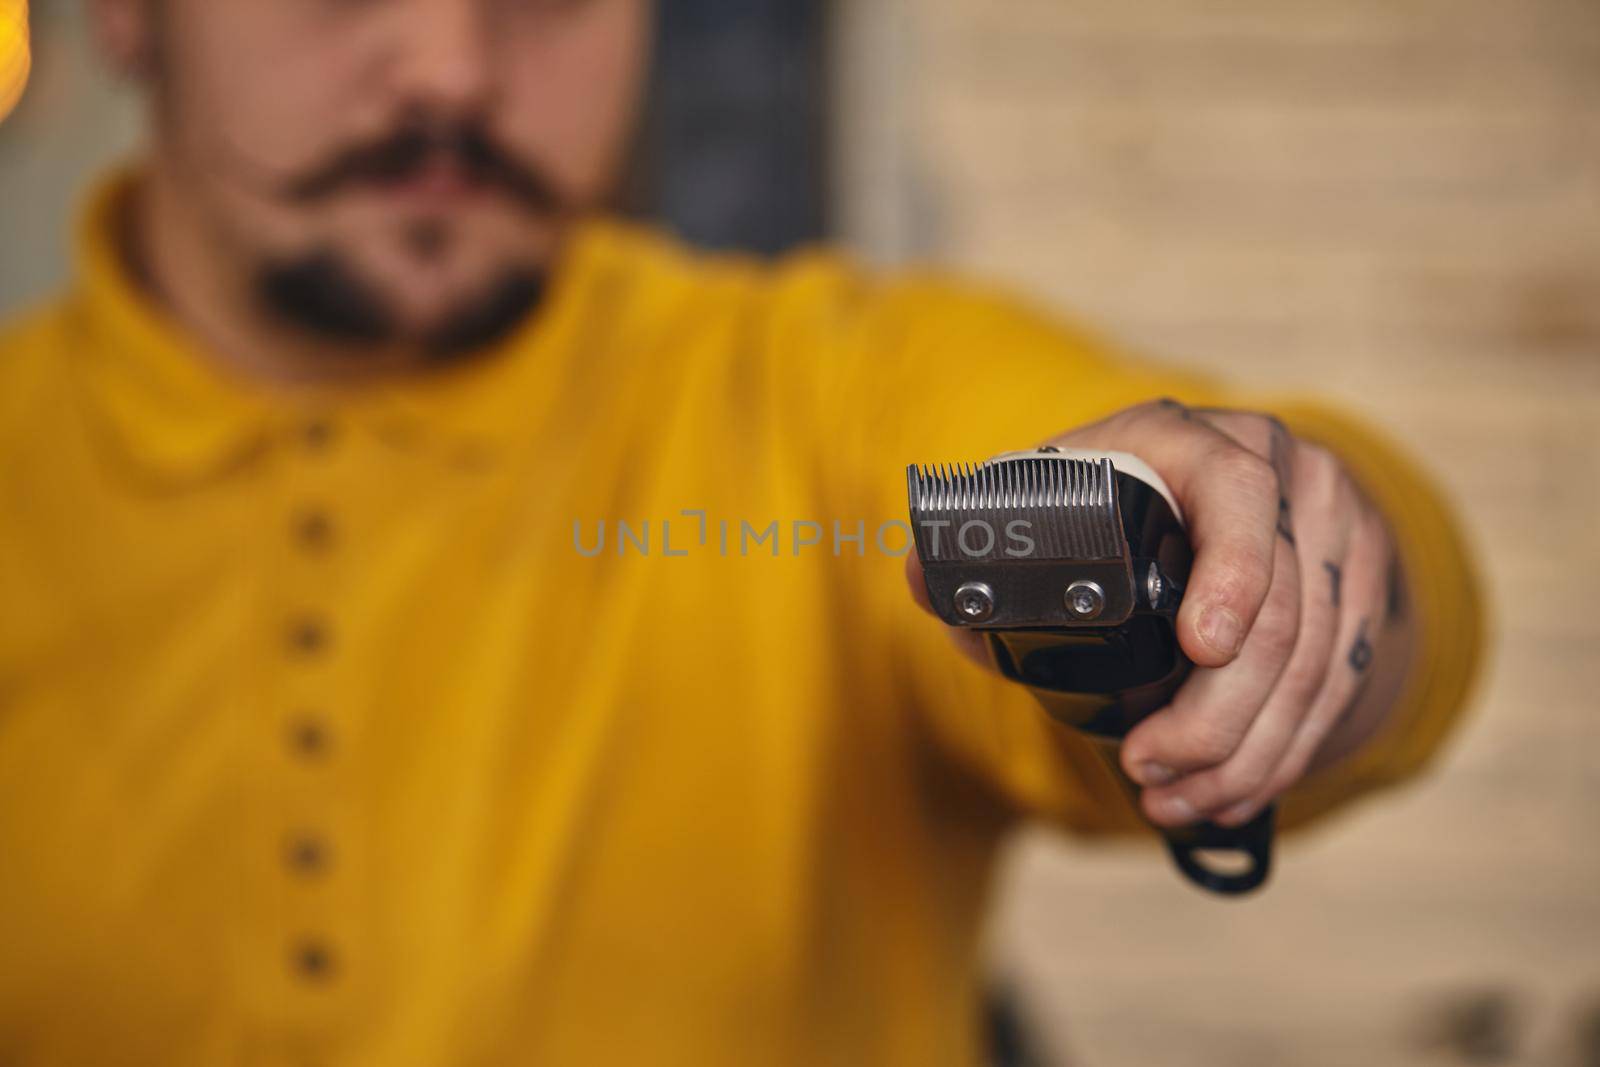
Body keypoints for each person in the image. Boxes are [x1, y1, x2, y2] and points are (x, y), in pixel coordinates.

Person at [0, 1, 1481, 1064]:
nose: (452, 63)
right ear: (123, 15)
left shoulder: (815, 394)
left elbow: (1379, 570)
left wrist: (1281, 568)